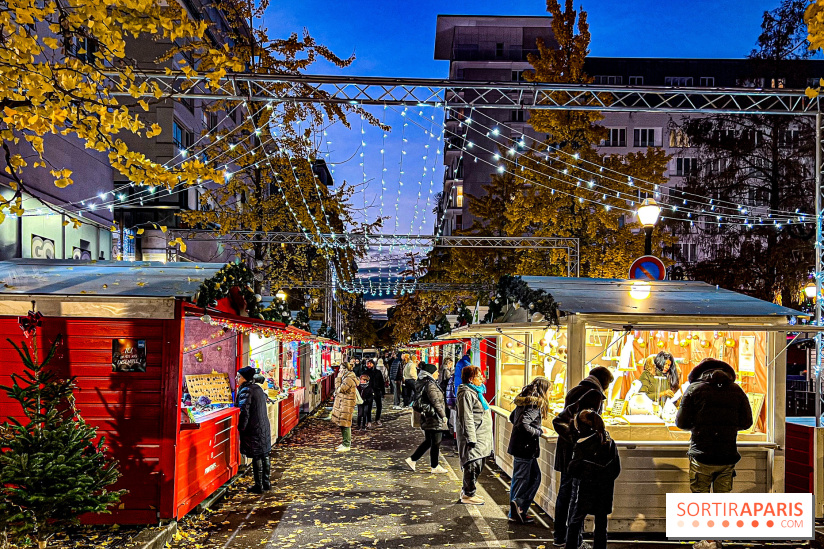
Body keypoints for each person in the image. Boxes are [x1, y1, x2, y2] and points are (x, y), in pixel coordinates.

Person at [552, 366, 615, 548]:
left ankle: (560, 536)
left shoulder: (575, 390)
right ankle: (575, 540)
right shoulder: (593, 394)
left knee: (565, 492)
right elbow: (586, 423)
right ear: (604, 381)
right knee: (574, 495)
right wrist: (581, 439)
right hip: (577, 451)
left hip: (566, 448)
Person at [565, 409, 620, 549]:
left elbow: (573, 469)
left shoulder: (582, 444)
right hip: (605, 489)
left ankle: (571, 546)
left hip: (587, 488)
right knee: (601, 523)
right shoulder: (609, 441)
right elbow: (616, 468)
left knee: (576, 520)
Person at [507, 376, 552, 524]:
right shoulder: (534, 404)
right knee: (522, 479)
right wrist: (538, 431)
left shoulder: (524, 400)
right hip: (524, 447)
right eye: (549, 391)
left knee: (533, 478)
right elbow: (523, 424)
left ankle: (519, 508)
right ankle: (517, 508)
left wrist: (535, 427)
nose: (550, 394)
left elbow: (512, 417)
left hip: (521, 447)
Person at [456, 365, 493, 505]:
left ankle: (468, 491)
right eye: (479, 376)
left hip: (481, 436)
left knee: (478, 463)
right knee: (472, 464)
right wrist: (471, 438)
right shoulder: (466, 393)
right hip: (474, 437)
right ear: (471, 379)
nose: (482, 378)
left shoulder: (476, 392)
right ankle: (468, 494)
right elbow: (466, 417)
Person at [405, 363, 449, 474]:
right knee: (435, 442)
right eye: (436, 372)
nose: (438, 373)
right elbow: (436, 402)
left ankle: (413, 459)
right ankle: (434, 466)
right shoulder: (430, 385)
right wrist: (443, 415)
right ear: (431, 373)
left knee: (430, 441)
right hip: (433, 416)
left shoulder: (426, 382)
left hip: (428, 415)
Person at [235, 366, 272, 493]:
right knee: (264, 454)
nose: (237, 378)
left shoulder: (246, 391)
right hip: (263, 426)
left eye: (238, 376)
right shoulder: (258, 388)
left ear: (244, 378)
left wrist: (241, 427)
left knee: (257, 456)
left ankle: (258, 485)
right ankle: (266, 483)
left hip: (254, 428)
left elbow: (244, 412)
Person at [331, 362, 358, 452]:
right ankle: (344, 442)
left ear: (345, 369)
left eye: (341, 368)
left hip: (347, 404)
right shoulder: (346, 377)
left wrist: (338, 378)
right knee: (342, 423)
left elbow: (340, 389)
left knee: (346, 424)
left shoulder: (348, 379)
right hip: (344, 403)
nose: (339, 370)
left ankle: (347, 444)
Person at [366, 360, 385, 426]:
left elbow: (382, 382)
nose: (369, 365)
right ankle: (369, 421)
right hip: (369, 391)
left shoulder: (378, 372)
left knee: (379, 406)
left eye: (370, 363)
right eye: (367, 363)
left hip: (377, 390)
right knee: (369, 406)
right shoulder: (365, 372)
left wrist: (383, 392)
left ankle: (377, 419)